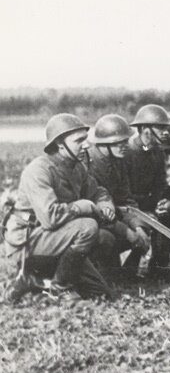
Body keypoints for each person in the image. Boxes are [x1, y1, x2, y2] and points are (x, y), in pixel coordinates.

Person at [3, 114, 116, 303]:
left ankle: (35, 280)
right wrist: (80, 207)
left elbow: (97, 191)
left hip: (55, 238)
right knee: (87, 227)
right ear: (60, 145)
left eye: (85, 140)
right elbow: (50, 218)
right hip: (28, 242)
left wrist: (105, 203)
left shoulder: (75, 168)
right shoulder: (38, 171)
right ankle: (59, 288)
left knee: (101, 292)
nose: (86, 145)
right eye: (79, 141)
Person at [86, 114, 151, 277]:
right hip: (95, 222)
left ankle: (127, 272)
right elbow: (93, 211)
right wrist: (128, 232)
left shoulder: (118, 162)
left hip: (113, 218)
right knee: (106, 238)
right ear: (103, 143)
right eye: (118, 142)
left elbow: (126, 199)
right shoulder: (87, 164)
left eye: (125, 141)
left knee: (147, 223)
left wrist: (138, 226)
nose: (124, 146)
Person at [124, 104, 170, 274]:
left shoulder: (157, 152)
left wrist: (163, 201)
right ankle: (128, 269)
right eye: (161, 128)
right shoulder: (126, 152)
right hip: (128, 206)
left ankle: (159, 265)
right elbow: (121, 191)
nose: (166, 132)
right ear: (146, 129)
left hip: (147, 204)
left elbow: (160, 183)